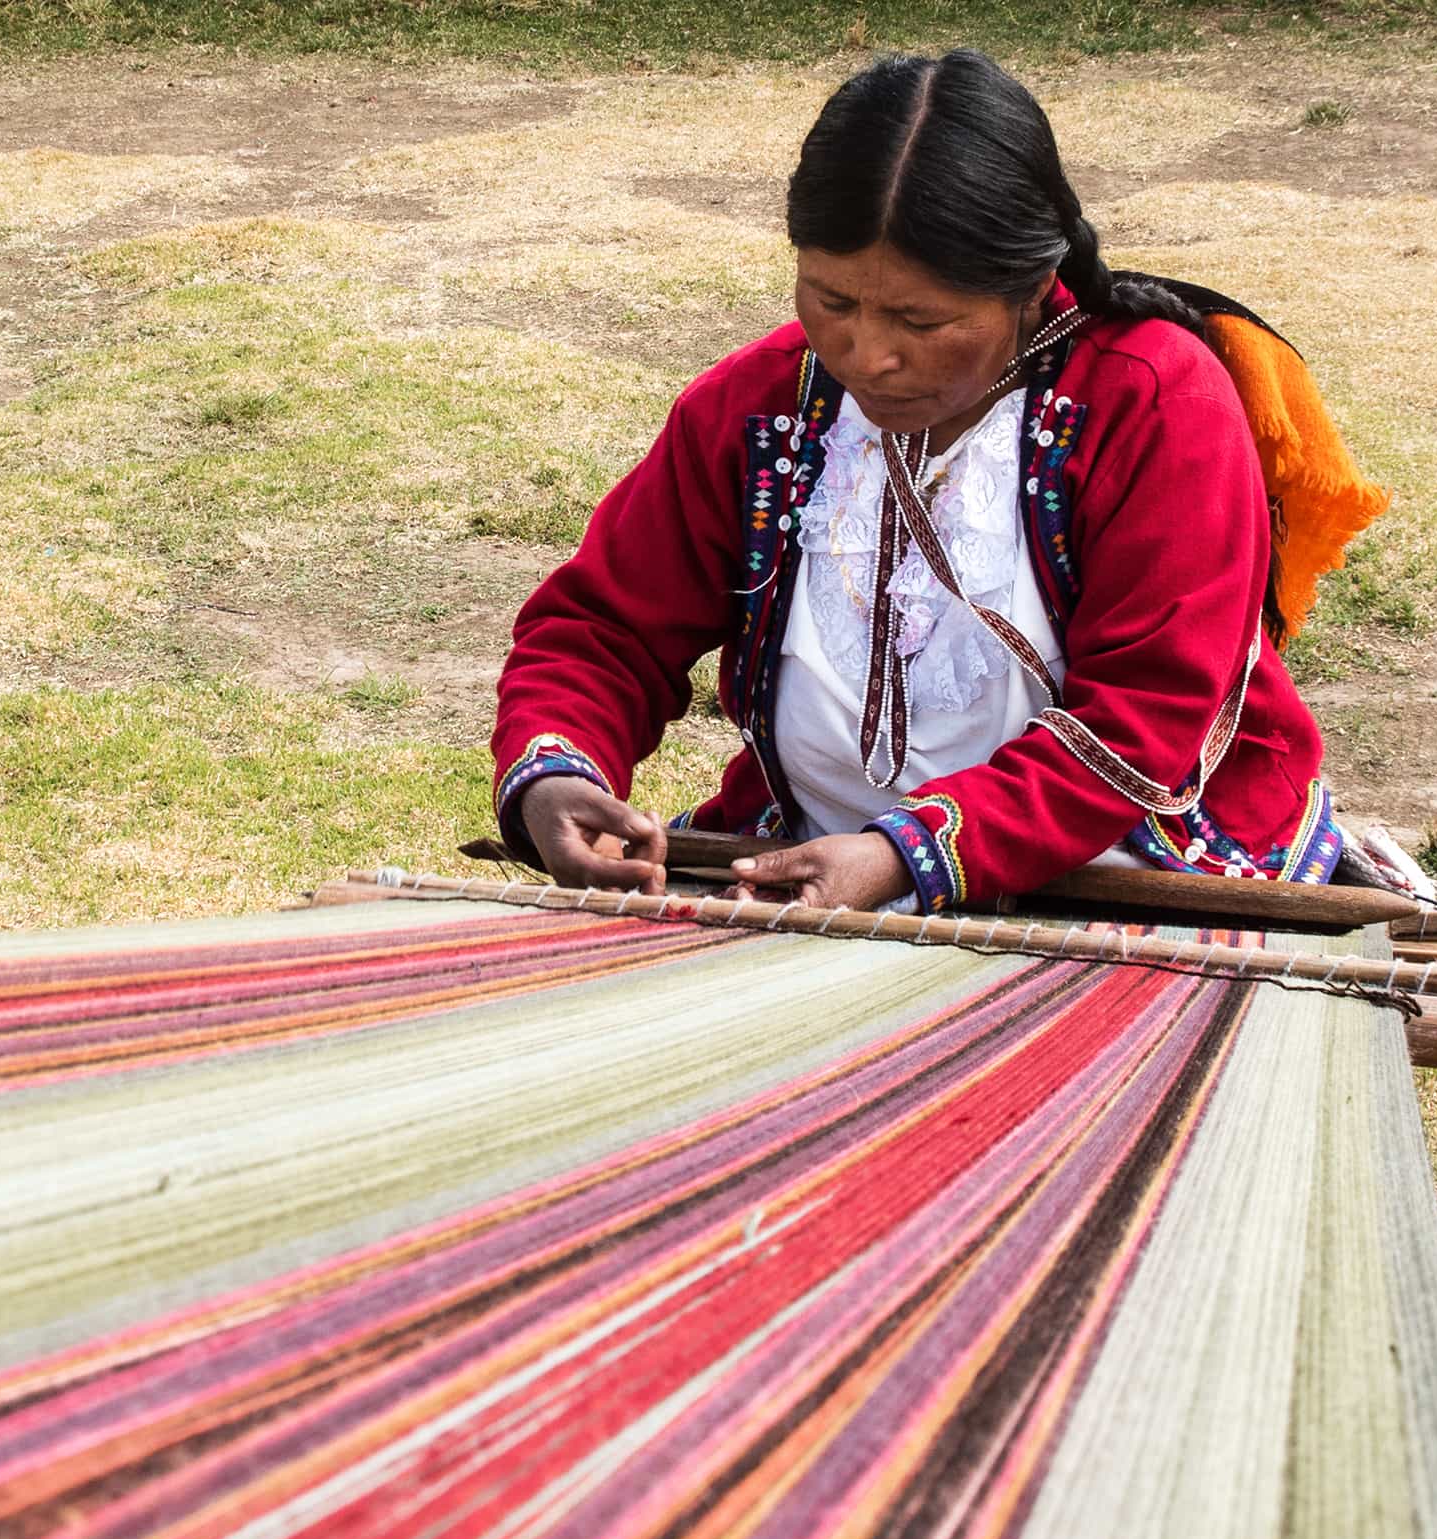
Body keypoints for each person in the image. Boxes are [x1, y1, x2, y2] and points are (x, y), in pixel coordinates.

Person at [490, 48, 1383, 912]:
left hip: (1119, 864)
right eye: (831, 301)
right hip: (810, 851)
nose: (867, 355)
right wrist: (555, 774)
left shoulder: (1150, 401)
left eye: (921, 317)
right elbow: (604, 627)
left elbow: (1145, 717)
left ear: (1031, 282)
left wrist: (904, 854)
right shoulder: (762, 408)